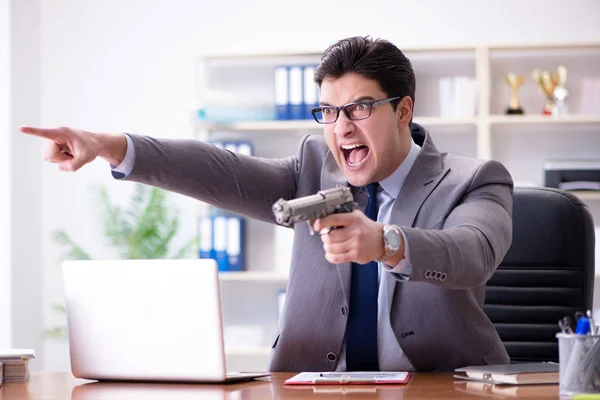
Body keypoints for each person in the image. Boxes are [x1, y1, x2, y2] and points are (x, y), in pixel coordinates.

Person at [22, 36, 514, 372]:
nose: (342, 127)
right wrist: (110, 144)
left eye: (360, 108)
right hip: (310, 390)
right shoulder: (313, 166)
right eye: (329, 111)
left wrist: (385, 242)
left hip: (441, 388)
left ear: (403, 110)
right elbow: (219, 170)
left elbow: (471, 253)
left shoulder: (473, 180)